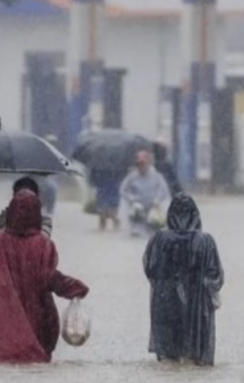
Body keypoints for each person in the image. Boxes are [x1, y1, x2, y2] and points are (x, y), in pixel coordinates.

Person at [0, 189, 89, 364]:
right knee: (32, 361)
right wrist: (75, 287)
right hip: (35, 319)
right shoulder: (43, 244)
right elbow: (48, 278)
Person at [143, 192, 224, 366]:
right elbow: (216, 276)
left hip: (166, 304)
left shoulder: (159, 239)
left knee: (169, 358)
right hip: (197, 308)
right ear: (196, 214)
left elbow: (150, 269)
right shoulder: (205, 241)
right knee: (194, 359)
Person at [120, 150, 173, 240]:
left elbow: (164, 190)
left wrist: (157, 199)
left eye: (143, 163)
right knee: (136, 209)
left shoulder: (157, 176)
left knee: (156, 221)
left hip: (154, 205)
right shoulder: (132, 177)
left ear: (148, 163)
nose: (141, 166)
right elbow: (123, 190)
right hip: (138, 204)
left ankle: (155, 228)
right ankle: (135, 228)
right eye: (139, 164)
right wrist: (131, 198)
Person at [88, 158, 123, 232]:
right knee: (102, 212)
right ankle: (103, 229)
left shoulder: (116, 163)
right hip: (102, 187)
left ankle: (116, 228)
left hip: (112, 187)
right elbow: (92, 176)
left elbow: (121, 174)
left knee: (112, 212)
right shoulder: (97, 163)